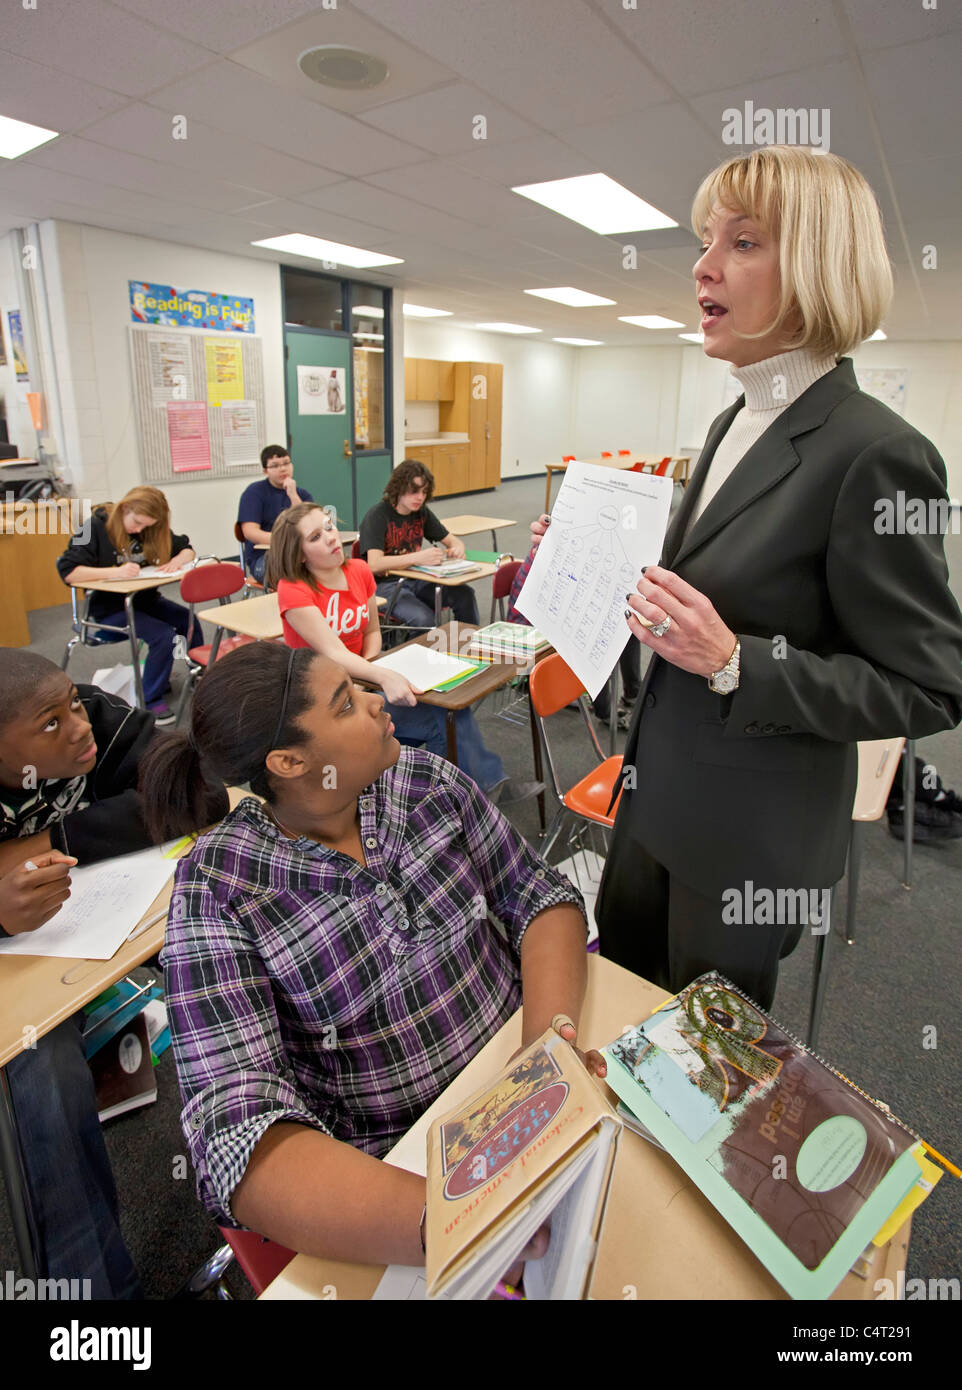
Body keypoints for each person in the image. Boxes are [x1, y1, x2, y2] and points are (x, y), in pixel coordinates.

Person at [531, 146, 962, 1010]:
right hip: (653, 798)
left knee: (702, 1081)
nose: (702, 265)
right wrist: (603, 564)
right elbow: (711, 591)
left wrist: (737, 662)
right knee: (620, 1013)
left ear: (816, 268)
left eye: (744, 241)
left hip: (743, 844)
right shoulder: (736, 417)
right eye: (705, 240)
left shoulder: (877, 453)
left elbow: (930, 689)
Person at [137, 641, 603, 1271]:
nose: (379, 700)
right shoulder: (220, 890)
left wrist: (547, 1047)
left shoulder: (419, 779)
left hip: (516, 1084)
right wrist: (458, 1220)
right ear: (290, 760)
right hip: (399, 1173)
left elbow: (537, 893)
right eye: (347, 703)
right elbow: (237, 1132)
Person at [0, 649, 227, 1297]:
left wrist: (55, 843)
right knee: (42, 1074)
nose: (77, 728)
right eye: (49, 724)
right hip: (19, 986)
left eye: (71, 705)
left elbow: (197, 788)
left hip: (110, 922)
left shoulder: (92, 716)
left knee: (230, 929)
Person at [266, 504, 541, 806]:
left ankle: (461, 798)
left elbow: (372, 633)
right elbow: (333, 651)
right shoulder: (293, 590)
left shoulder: (357, 571)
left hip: (362, 682)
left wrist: (368, 677)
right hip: (321, 700)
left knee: (448, 711)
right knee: (441, 718)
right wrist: (376, 678)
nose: (331, 538)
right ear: (299, 553)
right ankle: (465, 799)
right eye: (316, 536)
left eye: (329, 527)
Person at [57, 485, 200, 725]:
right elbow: (69, 572)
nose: (139, 530)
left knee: (188, 621)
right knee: (162, 636)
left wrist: (177, 560)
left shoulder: (148, 528)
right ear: (125, 509)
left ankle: (198, 674)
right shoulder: (92, 527)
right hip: (108, 610)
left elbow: (187, 549)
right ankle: (149, 699)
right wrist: (115, 572)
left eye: (147, 526)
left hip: (145, 600)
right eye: (137, 522)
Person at [507, 544, 640, 730]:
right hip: (529, 632)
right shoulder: (562, 552)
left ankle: (633, 694)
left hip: (553, 617)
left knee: (626, 623)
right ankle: (606, 712)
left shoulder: (578, 550)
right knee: (597, 636)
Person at [359, 459, 480, 627]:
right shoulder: (377, 516)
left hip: (416, 578)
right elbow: (374, 564)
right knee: (423, 619)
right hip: (383, 585)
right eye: (414, 491)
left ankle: (468, 645)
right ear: (399, 488)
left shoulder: (420, 512)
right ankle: (421, 652)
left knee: (464, 594)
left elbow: (452, 540)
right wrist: (418, 557)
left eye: (424, 492)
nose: (420, 497)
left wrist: (457, 547)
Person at [237, 444, 314, 585]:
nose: (283, 468)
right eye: (275, 465)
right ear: (265, 471)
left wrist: (292, 495)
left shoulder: (301, 494)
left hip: (299, 554)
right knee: (297, 576)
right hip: (265, 558)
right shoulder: (254, 493)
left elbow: (309, 525)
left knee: (324, 565)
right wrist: (284, 543)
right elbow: (250, 532)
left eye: (286, 463)